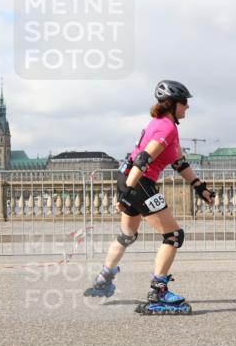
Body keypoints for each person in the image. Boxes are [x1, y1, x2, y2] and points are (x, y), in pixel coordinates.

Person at [83, 80, 216, 315]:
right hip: (138, 182)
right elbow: (143, 159)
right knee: (174, 235)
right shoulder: (166, 127)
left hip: (128, 179)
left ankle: (104, 279)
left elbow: (179, 162)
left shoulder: (160, 124)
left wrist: (199, 187)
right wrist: (127, 194)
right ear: (173, 104)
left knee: (127, 235)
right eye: (184, 102)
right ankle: (159, 291)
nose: (188, 107)